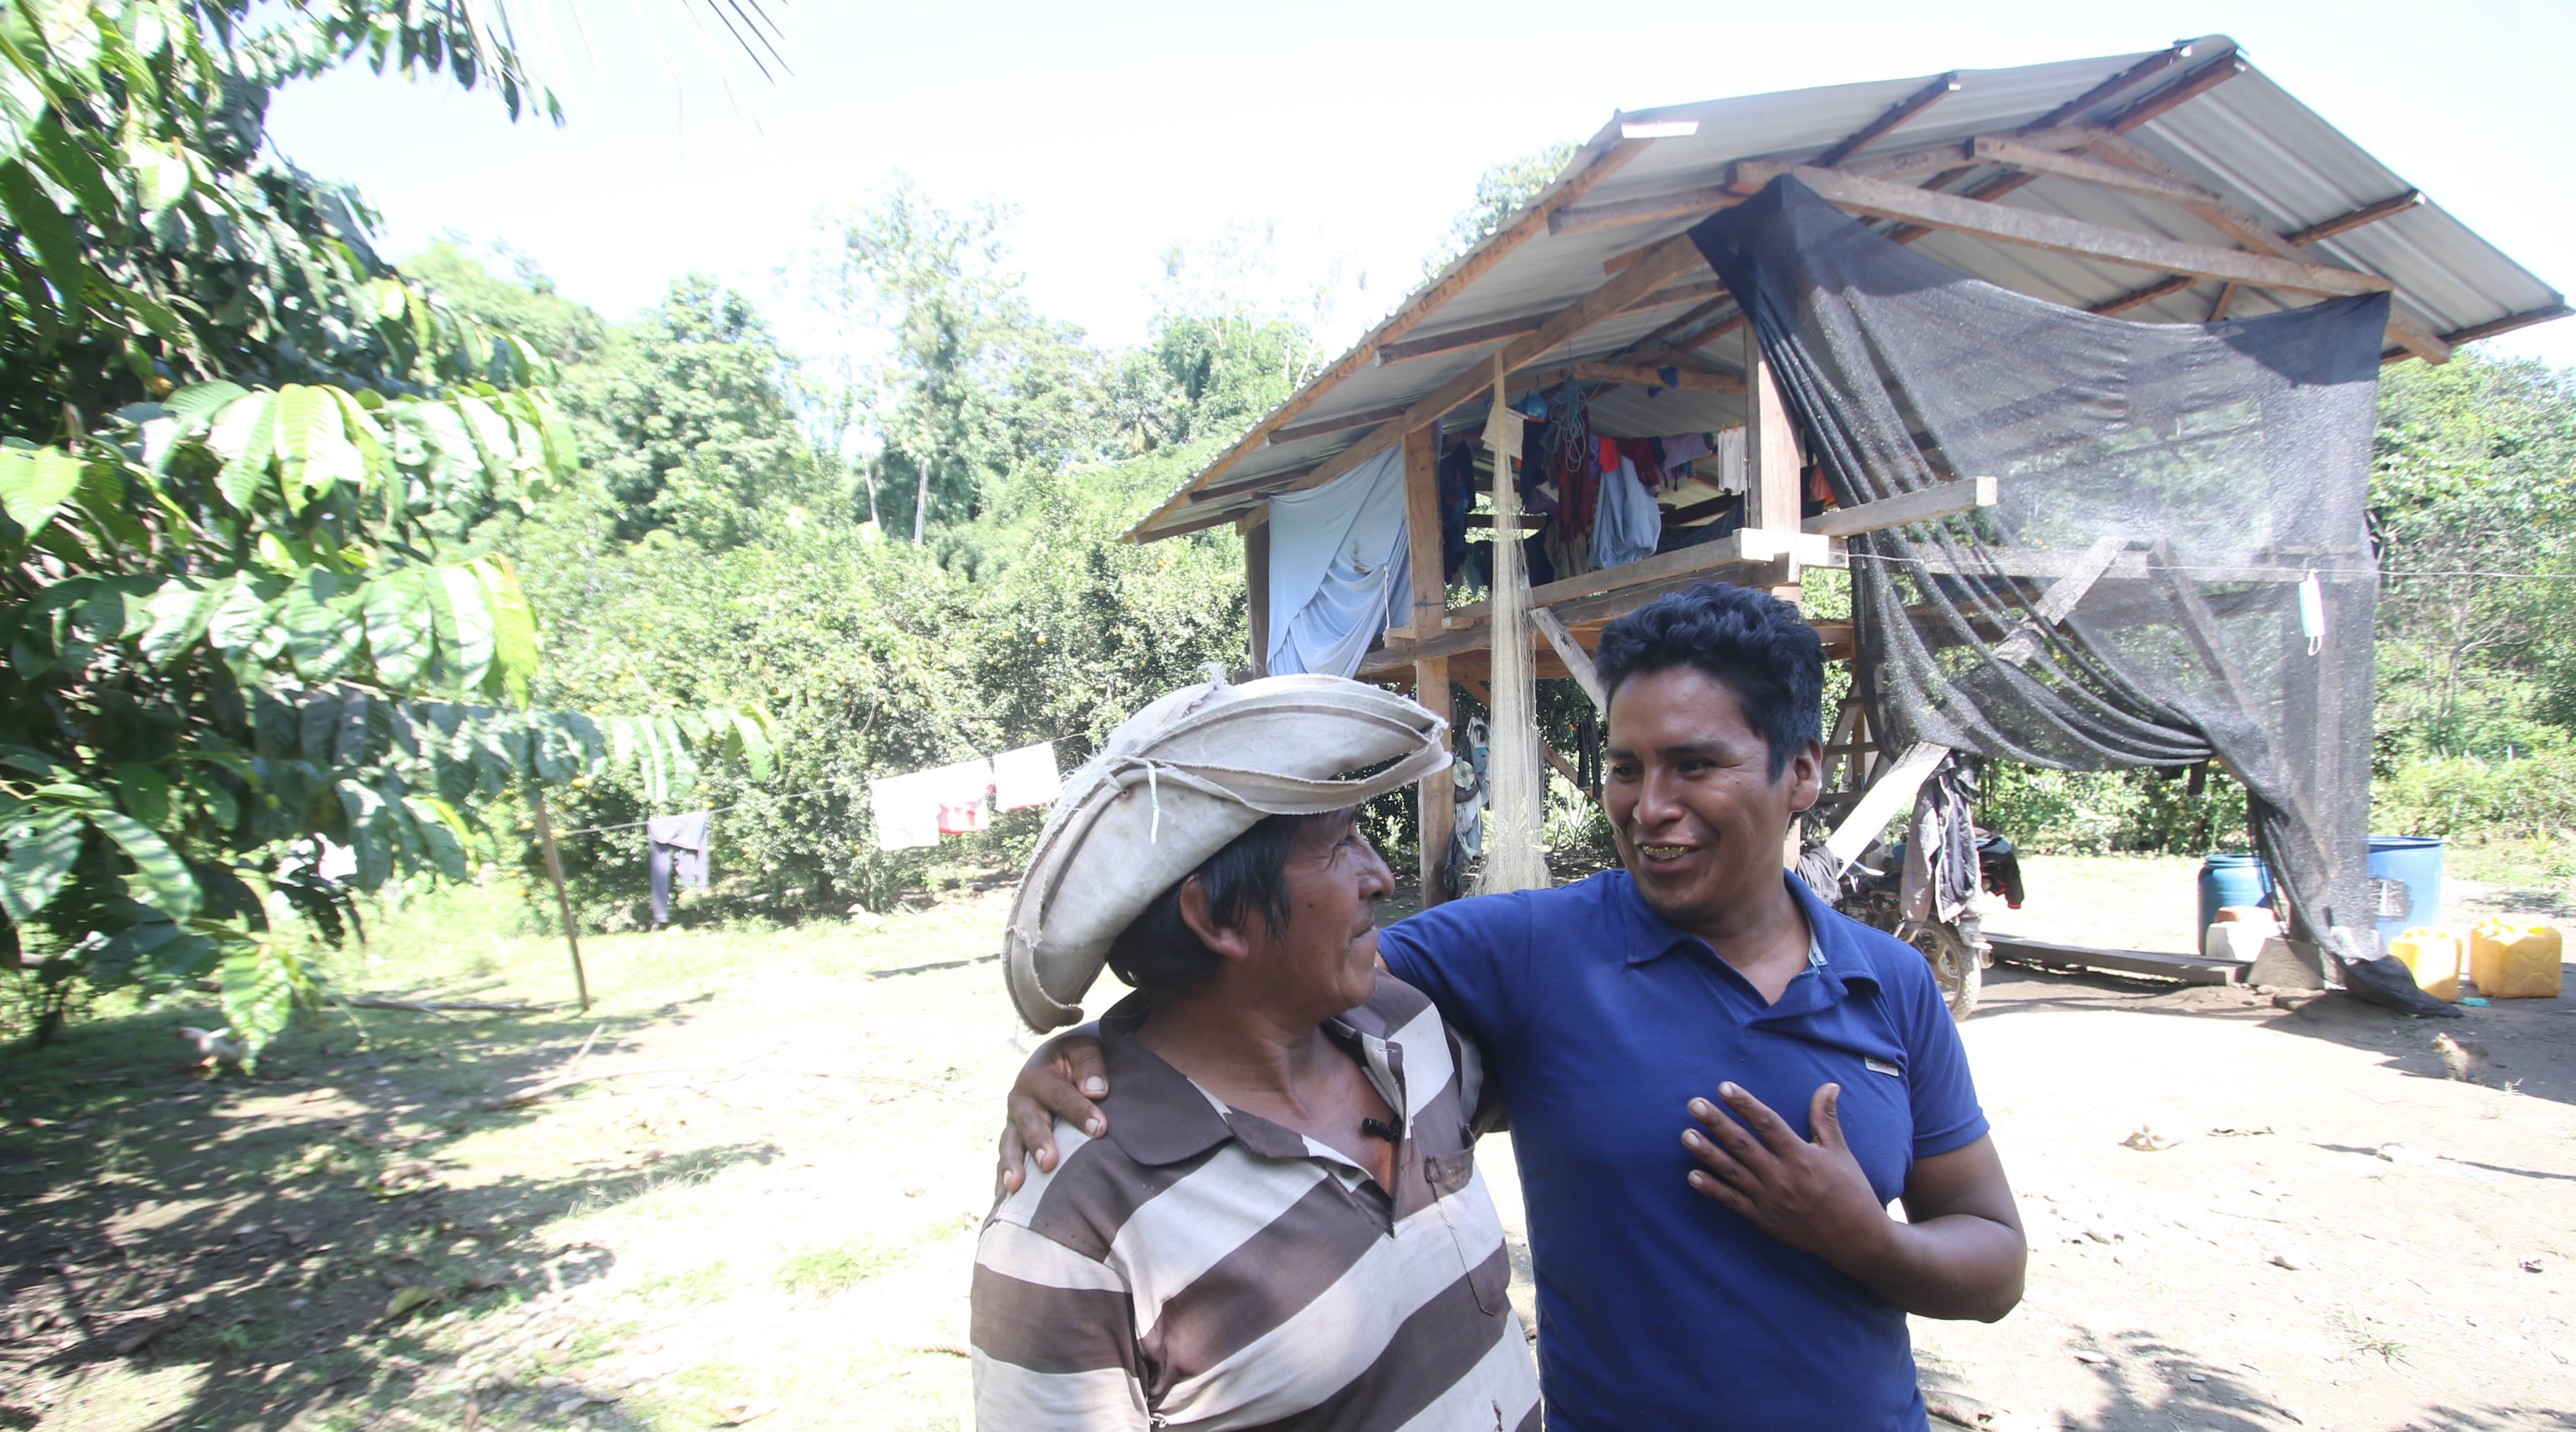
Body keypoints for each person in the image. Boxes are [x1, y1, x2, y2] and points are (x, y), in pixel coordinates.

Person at [1001, 583, 2027, 1431]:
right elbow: (1259, 979)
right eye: (1626, 766)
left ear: (1802, 772)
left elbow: (1993, 1260)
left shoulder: (1888, 985)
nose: (1649, 805)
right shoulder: (1528, 950)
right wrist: (1098, 1048)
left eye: (1697, 765)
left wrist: (1864, 1239)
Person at [973, 675, 1538, 1431]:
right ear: (1216, 917)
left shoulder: (1406, 1029)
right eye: (1338, 843)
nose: (1381, 876)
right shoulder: (1074, 1220)